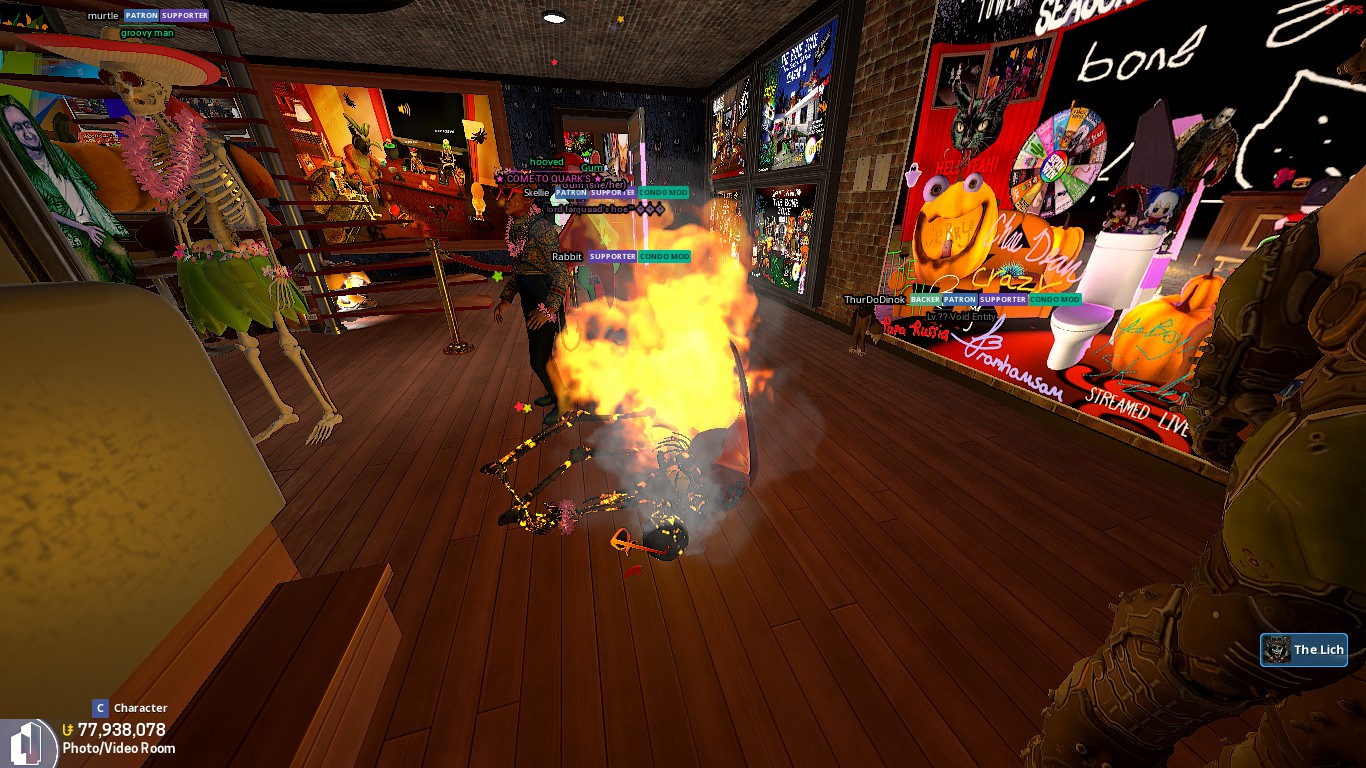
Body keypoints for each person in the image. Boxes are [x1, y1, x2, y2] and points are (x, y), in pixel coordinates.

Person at [0, 95, 136, 284]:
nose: (27, 133)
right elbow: (43, 211)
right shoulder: (20, 170)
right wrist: (84, 229)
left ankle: (126, 293)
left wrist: (97, 219)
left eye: (27, 124)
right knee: (95, 278)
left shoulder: (57, 153)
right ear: (9, 134)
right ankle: (108, 299)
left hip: (89, 223)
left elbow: (84, 186)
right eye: (17, 128)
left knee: (120, 254)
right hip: (68, 233)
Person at [492, 186, 572, 426]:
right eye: (502, 194)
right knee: (542, 355)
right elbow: (519, 270)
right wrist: (506, 299)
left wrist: (548, 309)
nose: (504, 200)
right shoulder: (515, 228)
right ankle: (555, 393)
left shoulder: (542, 230)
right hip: (529, 299)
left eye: (511, 194)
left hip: (543, 299)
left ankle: (563, 402)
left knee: (538, 359)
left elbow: (561, 273)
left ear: (527, 199)